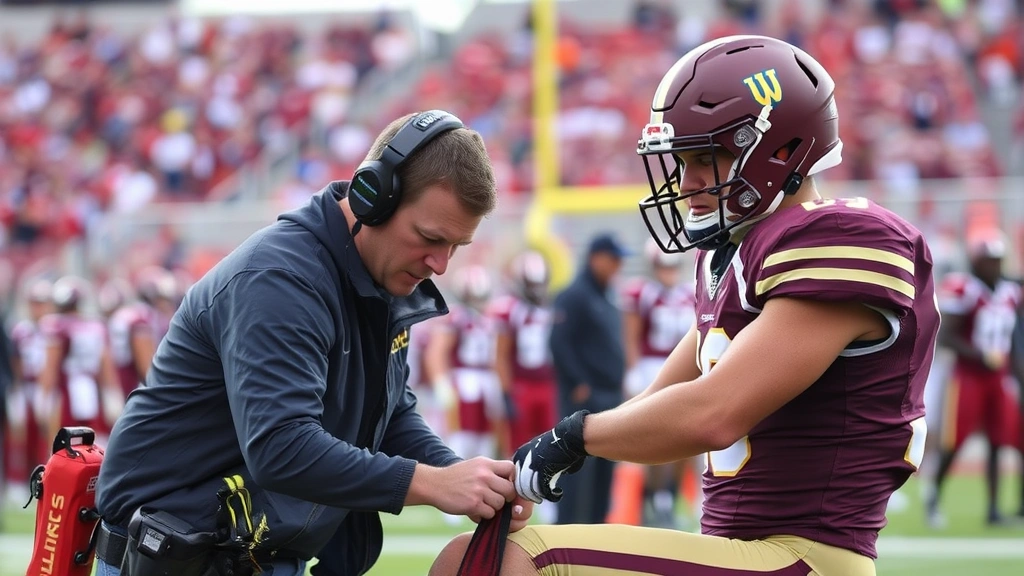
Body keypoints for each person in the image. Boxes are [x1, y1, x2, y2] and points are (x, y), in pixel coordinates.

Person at [430, 35, 940, 576]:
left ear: (782, 150)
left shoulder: (841, 235)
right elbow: (655, 409)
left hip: (803, 558)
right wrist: (533, 462)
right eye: (681, 160)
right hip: (743, 553)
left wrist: (573, 437)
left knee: (509, 560)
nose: (686, 180)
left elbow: (712, 413)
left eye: (707, 158)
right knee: (480, 552)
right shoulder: (732, 256)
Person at [94, 110, 533, 576]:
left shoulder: (374, 275)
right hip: (174, 553)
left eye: (456, 247)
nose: (441, 264)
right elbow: (281, 446)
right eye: (429, 237)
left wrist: (465, 477)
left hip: (241, 552)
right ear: (373, 199)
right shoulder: (279, 279)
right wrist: (431, 483)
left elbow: (390, 416)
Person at [926, 234, 1022, 527]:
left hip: (998, 376)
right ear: (976, 262)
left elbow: (1014, 338)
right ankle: (933, 498)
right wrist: (979, 355)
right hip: (967, 376)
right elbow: (946, 336)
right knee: (955, 440)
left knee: (998, 441)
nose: (993, 266)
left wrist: (1016, 373)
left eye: (997, 261)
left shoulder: (1010, 291)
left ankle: (993, 509)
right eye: (988, 261)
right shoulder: (965, 288)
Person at [546, 232, 629, 525]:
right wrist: (580, 384)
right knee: (576, 472)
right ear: (596, 258)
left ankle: (595, 534)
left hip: (608, 395)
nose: (618, 266)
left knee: (604, 471)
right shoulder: (574, 295)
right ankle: (566, 534)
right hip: (583, 398)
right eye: (614, 259)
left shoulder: (605, 295)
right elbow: (559, 343)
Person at [621, 239, 698, 529]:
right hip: (651, 369)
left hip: (684, 368)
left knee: (687, 438)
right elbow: (631, 336)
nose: (668, 272)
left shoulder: (689, 292)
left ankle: (671, 496)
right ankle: (653, 498)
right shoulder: (643, 293)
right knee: (656, 435)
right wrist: (632, 370)